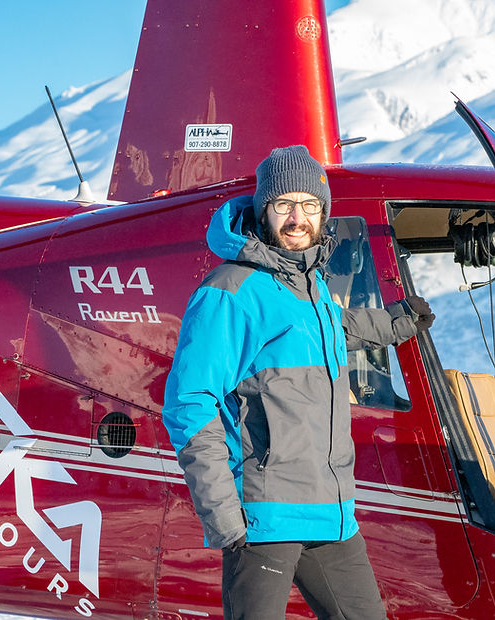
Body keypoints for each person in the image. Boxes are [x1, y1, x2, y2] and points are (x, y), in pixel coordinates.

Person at [162, 145, 435, 619]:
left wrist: (396, 322)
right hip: (263, 517)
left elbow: (333, 330)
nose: (297, 218)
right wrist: (224, 516)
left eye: (309, 205)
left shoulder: (310, 286)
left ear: (323, 213)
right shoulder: (231, 290)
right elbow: (189, 402)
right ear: (263, 210)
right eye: (284, 204)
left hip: (330, 510)